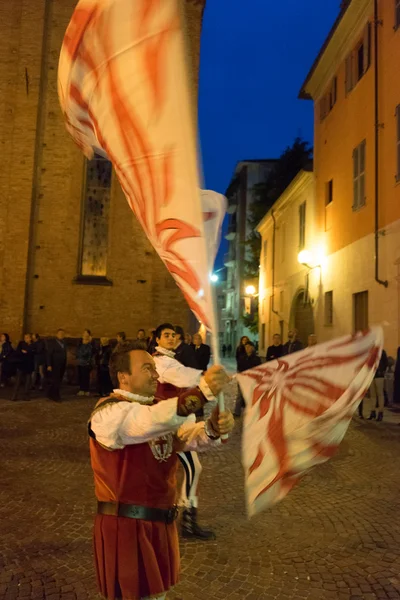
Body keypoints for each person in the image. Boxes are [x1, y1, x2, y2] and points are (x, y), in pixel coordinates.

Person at [88, 341, 233, 600]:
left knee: (158, 596)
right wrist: (201, 393)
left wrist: (212, 427)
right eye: (147, 368)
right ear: (124, 377)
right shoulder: (107, 413)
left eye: (154, 368)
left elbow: (187, 434)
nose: (156, 374)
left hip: (159, 523)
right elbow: (147, 422)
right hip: (127, 528)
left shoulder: (157, 407)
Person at [153, 323, 220, 540]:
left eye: (173, 335)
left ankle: (184, 518)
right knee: (191, 469)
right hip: (170, 425)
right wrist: (211, 379)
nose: (171, 338)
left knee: (191, 469)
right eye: (166, 335)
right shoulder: (161, 361)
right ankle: (186, 521)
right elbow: (185, 378)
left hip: (177, 421)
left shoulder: (170, 359)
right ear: (157, 340)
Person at [234, 342, 261, 417]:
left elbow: (259, 370)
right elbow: (239, 368)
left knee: (251, 396)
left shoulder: (256, 358)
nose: (247, 348)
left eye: (249, 347)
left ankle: (251, 412)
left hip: (252, 380)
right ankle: (237, 412)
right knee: (239, 396)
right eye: (246, 347)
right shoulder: (242, 357)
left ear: (252, 347)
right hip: (243, 379)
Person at [11, 333, 35, 401]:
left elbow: (34, 352)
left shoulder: (33, 345)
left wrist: (27, 351)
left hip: (29, 365)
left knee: (28, 382)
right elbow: (17, 352)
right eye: (25, 337)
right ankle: (14, 395)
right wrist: (21, 351)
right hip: (21, 364)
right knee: (18, 381)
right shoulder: (21, 343)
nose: (25, 339)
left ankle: (26, 396)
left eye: (27, 337)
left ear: (30, 338)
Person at [367, 349, 388, 421]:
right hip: (372, 374)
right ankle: (373, 412)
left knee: (380, 394)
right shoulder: (370, 351)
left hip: (379, 374)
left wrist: (382, 370)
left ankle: (380, 412)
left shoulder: (382, 351)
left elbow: (386, 362)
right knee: (373, 394)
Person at [47, 329, 68, 402]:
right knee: (56, 380)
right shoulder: (53, 343)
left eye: (63, 334)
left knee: (59, 380)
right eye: (60, 334)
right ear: (57, 334)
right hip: (55, 364)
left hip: (62, 364)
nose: (61, 335)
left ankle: (50, 393)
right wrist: (49, 365)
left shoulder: (64, 343)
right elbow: (49, 354)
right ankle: (56, 396)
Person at [76, 330, 94, 396]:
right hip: (80, 362)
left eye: (86, 333)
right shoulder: (80, 342)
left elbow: (88, 353)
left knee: (86, 376)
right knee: (81, 376)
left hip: (86, 362)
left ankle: (86, 389)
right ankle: (81, 389)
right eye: (84, 333)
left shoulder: (90, 344)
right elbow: (77, 351)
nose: (84, 335)